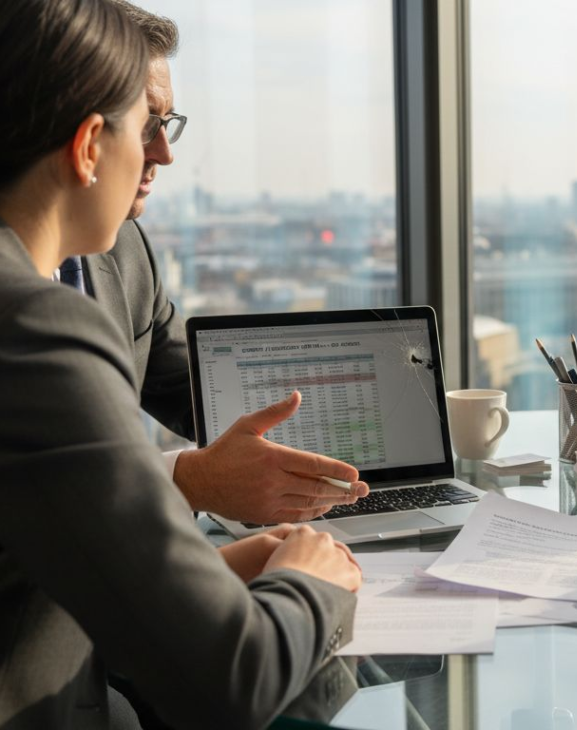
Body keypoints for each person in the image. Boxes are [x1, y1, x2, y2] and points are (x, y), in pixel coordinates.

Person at [0, 1, 361, 727]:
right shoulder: (31, 324)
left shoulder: (110, 261)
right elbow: (233, 683)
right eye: (147, 127)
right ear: (89, 145)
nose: (161, 155)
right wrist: (311, 582)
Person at [70, 0, 368, 526]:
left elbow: (197, 390)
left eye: (168, 124)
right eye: (146, 126)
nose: (165, 153)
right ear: (86, 134)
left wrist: (354, 422)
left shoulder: (126, 246)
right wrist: (191, 479)